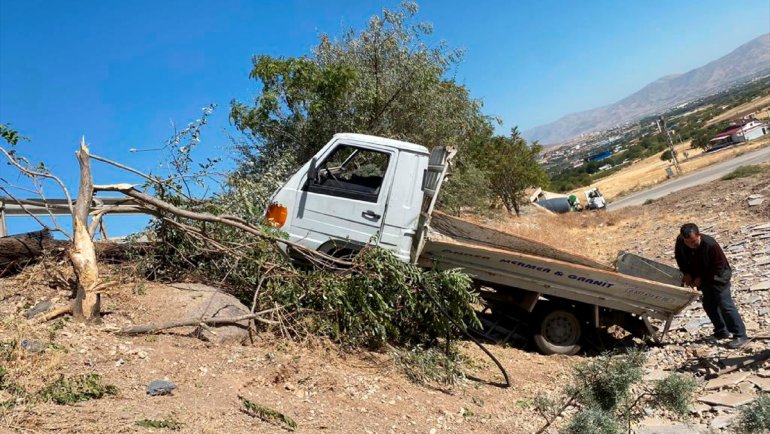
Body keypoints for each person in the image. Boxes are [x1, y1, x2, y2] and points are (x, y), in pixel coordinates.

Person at [675, 223, 748, 349]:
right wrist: (686, 273)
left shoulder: (710, 244)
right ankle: (721, 331)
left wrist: (701, 278)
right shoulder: (681, 242)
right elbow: (679, 257)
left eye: (694, 242)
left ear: (699, 235)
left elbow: (718, 265)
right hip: (702, 279)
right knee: (709, 305)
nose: (691, 245)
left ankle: (740, 335)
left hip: (718, 277)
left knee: (725, 305)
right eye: (688, 242)